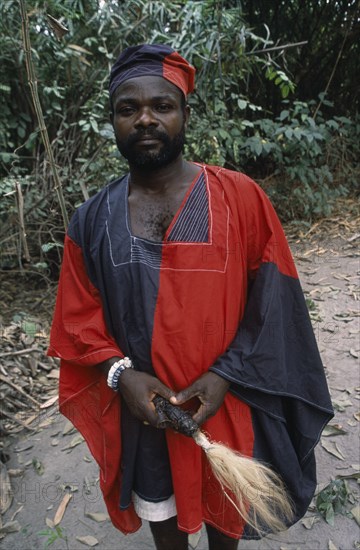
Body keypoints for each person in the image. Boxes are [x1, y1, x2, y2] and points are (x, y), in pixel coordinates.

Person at [48, 44, 333, 550]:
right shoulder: (90, 221)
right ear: (112, 120)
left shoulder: (241, 198)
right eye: (128, 108)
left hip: (227, 408)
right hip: (145, 418)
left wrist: (226, 374)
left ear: (184, 114)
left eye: (162, 105)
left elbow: (275, 305)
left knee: (226, 524)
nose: (145, 119)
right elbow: (78, 319)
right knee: (166, 528)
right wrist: (121, 375)